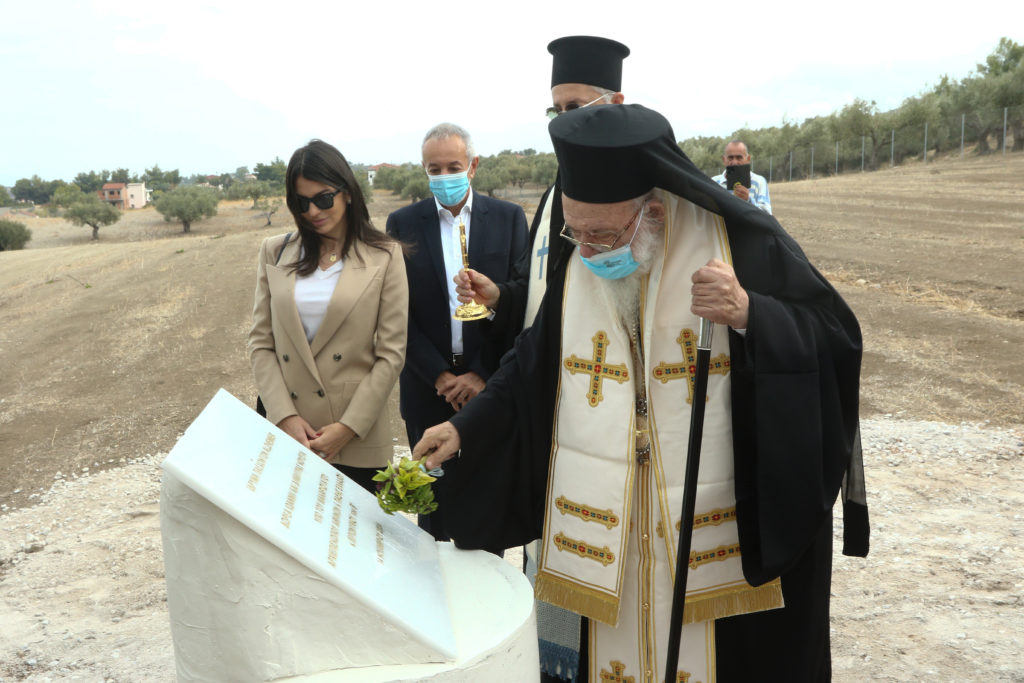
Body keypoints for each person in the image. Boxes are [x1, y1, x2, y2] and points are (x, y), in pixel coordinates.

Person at [414, 105, 869, 681]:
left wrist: (752, 313)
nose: (588, 249)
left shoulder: (740, 244)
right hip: (618, 531)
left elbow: (836, 337)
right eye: (573, 232)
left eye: (602, 233)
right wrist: (464, 427)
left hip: (714, 530)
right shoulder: (582, 259)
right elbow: (531, 364)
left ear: (652, 212)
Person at [385, 123, 529, 543]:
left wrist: (483, 374)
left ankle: (486, 601)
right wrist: (439, 376)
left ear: (473, 166)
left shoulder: (507, 219)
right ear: (424, 169)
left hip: (489, 389)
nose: (444, 176)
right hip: (428, 389)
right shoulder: (403, 224)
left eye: (454, 166)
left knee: (487, 505)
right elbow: (396, 313)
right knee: (433, 511)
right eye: (435, 168)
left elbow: (519, 303)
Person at [248, 139, 408, 494]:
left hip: (356, 437)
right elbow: (261, 343)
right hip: (288, 431)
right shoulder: (275, 251)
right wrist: (285, 417)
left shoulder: (385, 256)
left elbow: (391, 354)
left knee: (355, 545)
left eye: (322, 199)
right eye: (301, 203)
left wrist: (347, 428)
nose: (313, 212)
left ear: (347, 192)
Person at [454, 35, 629, 334]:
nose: (561, 122)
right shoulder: (552, 197)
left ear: (615, 103)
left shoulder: (642, 192)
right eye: (555, 110)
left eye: (574, 107)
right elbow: (536, 287)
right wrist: (498, 296)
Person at [711, 140, 773, 214]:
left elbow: (767, 215)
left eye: (739, 157)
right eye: (730, 158)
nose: (734, 162)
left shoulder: (759, 182)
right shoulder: (714, 183)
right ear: (724, 160)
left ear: (748, 159)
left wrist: (748, 200)